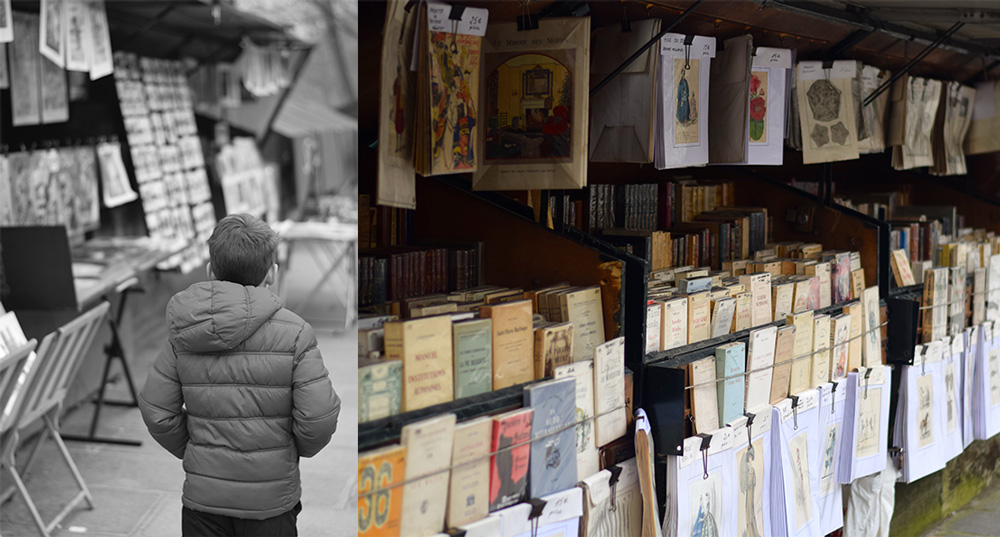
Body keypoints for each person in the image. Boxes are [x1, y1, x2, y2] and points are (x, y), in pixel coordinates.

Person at [139, 214, 341, 537]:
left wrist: (197, 450)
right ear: (272, 274)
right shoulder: (295, 334)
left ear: (210, 271)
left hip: (202, 504)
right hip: (271, 506)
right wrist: (286, 452)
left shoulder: (184, 332)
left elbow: (157, 411)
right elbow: (319, 418)